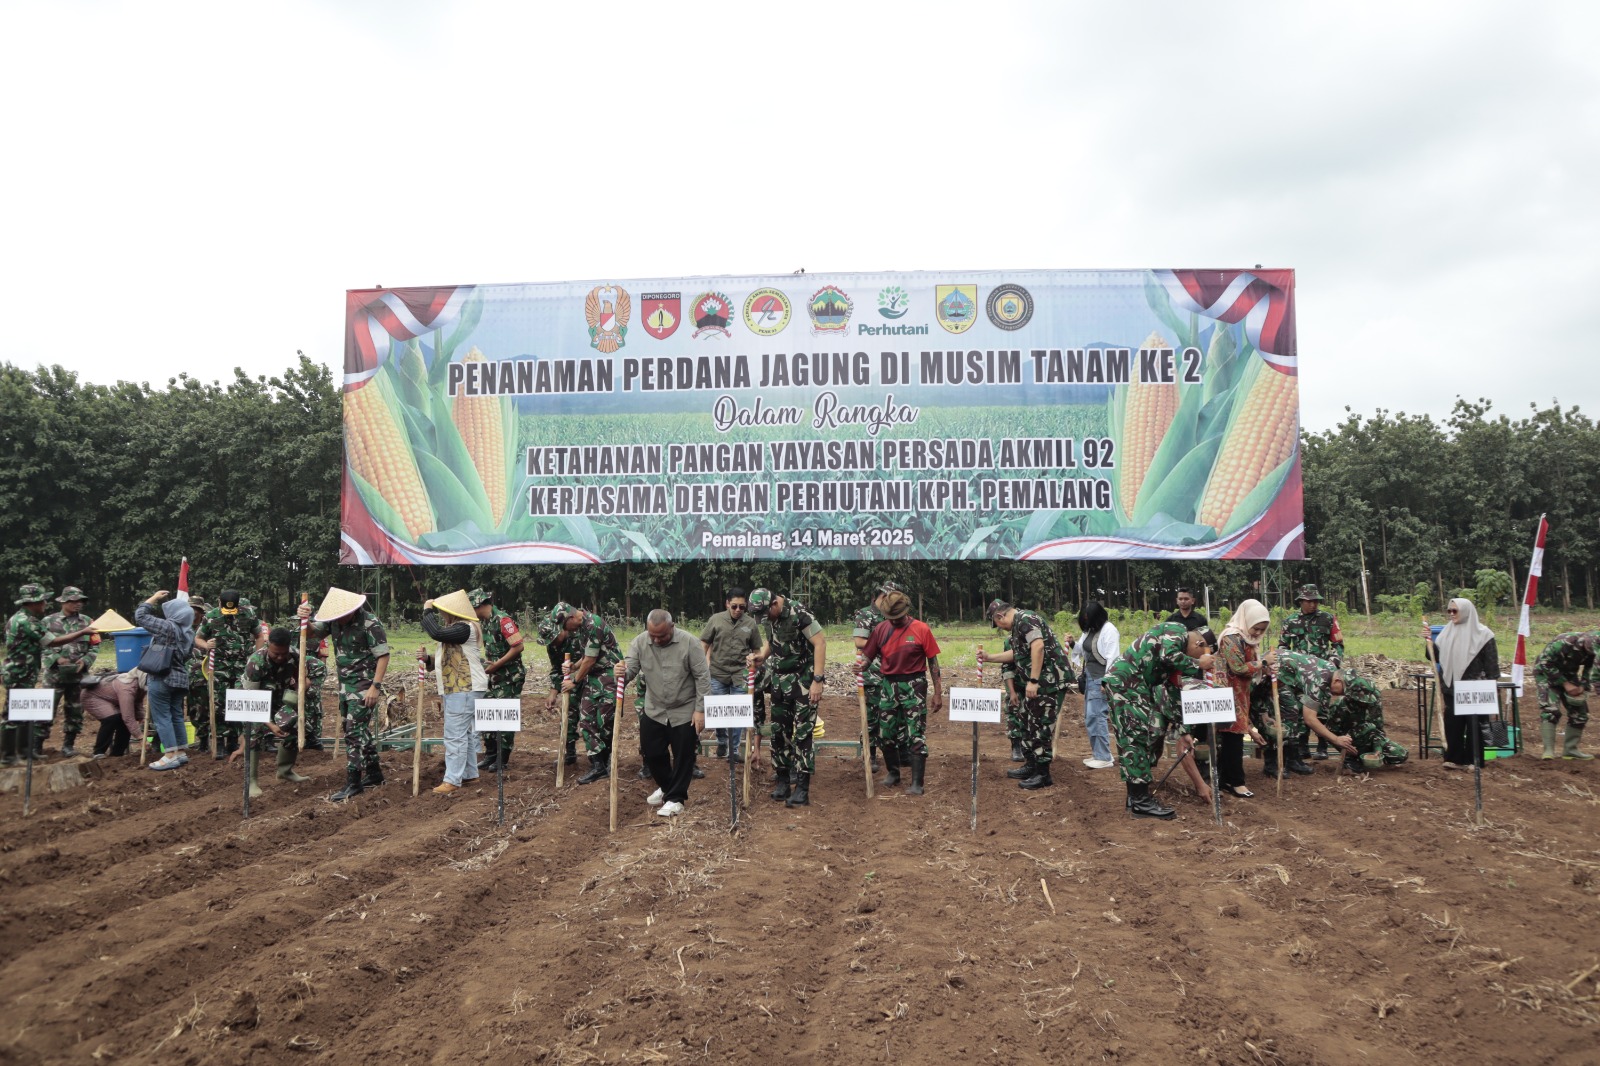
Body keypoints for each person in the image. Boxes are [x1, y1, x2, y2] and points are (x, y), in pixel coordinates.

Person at [1102, 620, 1214, 818]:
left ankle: (1135, 798)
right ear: (1198, 645)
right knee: (1135, 739)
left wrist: (1183, 730)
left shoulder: (1173, 661)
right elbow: (1170, 655)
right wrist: (1199, 663)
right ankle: (1140, 802)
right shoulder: (1177, 631)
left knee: (1137, 738)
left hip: (1134, 686)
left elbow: (1172, 695)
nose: (1194, 663)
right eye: (1199, 655)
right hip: (1127, 682)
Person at [299, 587, 390, 802]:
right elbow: (312, 632)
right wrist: (304, 618)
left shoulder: (370, 623)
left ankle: (354, 781)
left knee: (353, 732)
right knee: (355, 730)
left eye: (342, 616)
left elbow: (384, 656)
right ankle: (375, 773)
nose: (338, 620)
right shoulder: (333, 622)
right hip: (345, 686)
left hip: (364, 685)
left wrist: (375, 687)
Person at [621, 610, 711, 817]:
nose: (656, 639)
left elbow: (703, 678)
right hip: (655, 708)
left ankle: (675, 798)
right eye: (652, 635)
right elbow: (630, 670)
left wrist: (700, 710)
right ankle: (667, 787)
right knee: (651, 752)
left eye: (661, 636)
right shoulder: (639, 643)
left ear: (672, 627)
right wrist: (622, 673)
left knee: (683, 755)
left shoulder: (690, 643)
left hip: (685, 708)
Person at [980, 600, 1071, 790]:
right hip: (1041, 682)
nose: (998, 627)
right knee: (1029, 724)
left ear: (1000, 616)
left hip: (1048, 682)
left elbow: (1037, 647)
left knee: (1041, 726)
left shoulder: (1026, 619)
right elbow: (1017, 653)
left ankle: (1043, 774)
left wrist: (1033, 680)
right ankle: (1032, 766)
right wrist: (990, 658)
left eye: (996, 623)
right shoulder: (1017, 626)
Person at [860, 589, 943, 795]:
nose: (894, 621)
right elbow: (868, 656)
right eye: (891, 618)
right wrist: (861, 666)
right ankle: (894, 773)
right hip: (888, 686)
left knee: (915, 735)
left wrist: (938, 692)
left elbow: (933, 663)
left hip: (914, 685)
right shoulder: (881, 629)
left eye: (897, 617)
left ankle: (917, 782)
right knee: (885, 733)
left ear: (906, 612)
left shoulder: (921, 629)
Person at [749, 587, 826, 807]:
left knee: (802, 735)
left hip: (803, 682)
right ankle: (782, 781)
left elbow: (820, 642)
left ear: (774, 604)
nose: (765, 619)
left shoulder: (799, 613)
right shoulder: (768, 616)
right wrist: (760, 657)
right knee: (778, 732)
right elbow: (772, 641)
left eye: (766, 613)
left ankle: (802, 788)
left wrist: (817, 681)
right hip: (779, 682)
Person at [543, 602, 624, 784]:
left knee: (605, 720)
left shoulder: (593, 624)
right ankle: (597, 766)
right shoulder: (581, 627)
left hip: (609, 677)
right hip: (594, 678)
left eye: (564, 626)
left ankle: (606, 759)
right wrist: (574, 666)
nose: (565, 630)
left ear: (571, 618)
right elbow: (586, 657)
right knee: (587, 720)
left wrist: (574, 680)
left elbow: (590, 659)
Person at [419, 590, 488, 794]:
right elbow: (449, 658)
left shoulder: (465, 628)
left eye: (443, 612)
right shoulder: (459, 629)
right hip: (459, 688)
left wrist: (427, 611)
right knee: (464, 734)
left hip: (464, 688)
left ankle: (452, 780)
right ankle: (469, 774)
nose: (442, 616)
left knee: (455, 735)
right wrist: (428, 660)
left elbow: (436, 633)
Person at [236, 627, 316, 795]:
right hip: (254, 699)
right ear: (268, 646)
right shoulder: (255, 663)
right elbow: (252, 700)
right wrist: (271, 724)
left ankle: (284, 771)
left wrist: (303, 685)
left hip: (280, 696)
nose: (280, 658)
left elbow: (301, 678)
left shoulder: (295, 656)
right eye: (275, 654)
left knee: (295, 724)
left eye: (283, 654)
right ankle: (251, 782)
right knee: (254, 733)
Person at [1423, 598, 1500, 768]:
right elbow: (1433, 656)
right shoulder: (1446, 633)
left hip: (1475, 688)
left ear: (1466, 612)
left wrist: (1493, 688)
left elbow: (1492, 665)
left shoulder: (1484, 635)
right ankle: (1454, 758)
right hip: (1451, 687)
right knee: (1454, 724)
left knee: (1475, 724)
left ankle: (1474, 760)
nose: (1451, 614)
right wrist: (1428, 641)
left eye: (1454, 611)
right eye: (1449, 611)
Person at [1210, 599, 1272, 797]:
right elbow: (1238, 667)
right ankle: (1236, 782)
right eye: (1255, 628)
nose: (1257, 633)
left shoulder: (1246, 638)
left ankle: (1223, 779)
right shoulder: (1231, 638)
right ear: (1247, 621)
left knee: (1231, 737)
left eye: (1262, 630)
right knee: (1233, 738)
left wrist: (1265, 666)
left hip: (1240, 693)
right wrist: (1262, 663)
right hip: (1227, 693)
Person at [1278, 584, 1345, 760]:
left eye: (1316, 601)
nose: (1313, 604)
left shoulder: (1328, 619)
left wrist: (1332, 663)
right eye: (1309, 601)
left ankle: (1323, 746)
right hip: (1298, 676)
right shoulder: (1290, 621)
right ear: (1300, 601)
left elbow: (1338, 644)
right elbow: (1282, 647)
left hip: (1322, 675)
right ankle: (1302, 746)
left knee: (1322, 708)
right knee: (1300, 709)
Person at [196, 589, 263, 759]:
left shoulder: (248, 614)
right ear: (219, 602)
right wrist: (206, 645)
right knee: (219, 704)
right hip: (219, 667)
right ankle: (219, 741)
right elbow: (198, 638)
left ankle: (234, 740)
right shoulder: (211, 616)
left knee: (239, 703)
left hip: (242, 665)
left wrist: (257, 656)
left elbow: (259, 635)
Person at [700, 586, 765, 762]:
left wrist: (754, 659)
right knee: (718, 713)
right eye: (734, 606)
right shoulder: (716, 620)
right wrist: (703, 667)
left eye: (742, 607)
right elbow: (704, 644)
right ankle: (722, 741)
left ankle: (733, 750)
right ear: (727, 603)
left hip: (740, 675)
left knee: (738, 714)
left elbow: (757, 649)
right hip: (717, 673)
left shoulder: (750, 623)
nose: (738, 610)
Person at [133, 590, 196, 771]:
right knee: (176, 715)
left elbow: (140, 615)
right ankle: (181, 752)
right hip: (180, 678)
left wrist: (152, 598)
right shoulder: (189, 633)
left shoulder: (167, 627)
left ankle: (169, 755)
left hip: (162, 677)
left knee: (162, 717)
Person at [3, 584, 66, 765]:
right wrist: (82, 632)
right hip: (19, 673)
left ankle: (24, 754)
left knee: (23, 714)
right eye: (43, 600)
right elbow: (51, 642)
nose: (46, 603)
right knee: (12, 715)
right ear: (34, 602)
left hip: (24, 672)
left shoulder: (20, 618)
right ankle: (8, 758)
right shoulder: (26, 621)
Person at [470, 589, 526, 771]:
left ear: (479, 604)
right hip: (494, 676)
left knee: (505, 716)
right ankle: (491, 754)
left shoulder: (503, 620)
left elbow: (518, 646)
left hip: (510, 676)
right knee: (486, 713)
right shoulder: (485, 623)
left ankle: (503, 758)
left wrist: (498, 664)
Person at [1309, 672, 1408, 773]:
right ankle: (1350, 760)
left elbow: (1378, 729)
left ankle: (1366, 757)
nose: (1364, 703)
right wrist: (1344, 748)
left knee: (1400, 755)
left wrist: (1378, 749)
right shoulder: (1340, 706)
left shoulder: (1375, 702)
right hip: (1350, 743)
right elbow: (1330, 733)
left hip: (1370, 739)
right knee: (1365, 730)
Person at [42, 586, 97, 757]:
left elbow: (95, 646)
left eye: (80, 601)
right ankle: (37, 745)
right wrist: (56, 659)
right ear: (64, 602)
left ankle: (68, 745)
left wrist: (86, 660)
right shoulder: (48, 622)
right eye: (73, 601)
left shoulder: (88, 622)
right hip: (54, 676)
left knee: (75, 711)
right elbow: (42, 645)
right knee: (46, 709)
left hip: (78, 676)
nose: (77, 604)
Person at [850, 583, 898, 771]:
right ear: (877, 597)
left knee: (892, 716)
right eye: (885, 598)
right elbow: (860, 641)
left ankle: (895, 755)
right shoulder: (866, 614)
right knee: (870, 718)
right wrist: (886, 643)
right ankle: (869, 756)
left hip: (892, 672)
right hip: (871, 674)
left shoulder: (895, 614)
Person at [1531, 631, 1598, 761]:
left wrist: (1583, 686)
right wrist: (1566, 685)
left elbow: (1589, 668)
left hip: (1569, 673)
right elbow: (1545, 662)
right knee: (1550, 710)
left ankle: (1570, 750)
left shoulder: (1595, 649)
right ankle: (1548, 751)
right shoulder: (1564, 642)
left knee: (1580, 713)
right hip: (1546, 673)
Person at [1070, 600, 1119, 769]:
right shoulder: (1090, 630)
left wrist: (1107, 681)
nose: (1085, 621)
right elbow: (1083, 650)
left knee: (1097, 716)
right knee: (1090, 716)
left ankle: (1104, 756)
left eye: (1087, 617)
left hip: (1100, 679)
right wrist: (1072, 644)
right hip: (1090, 677)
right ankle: (1098, 754)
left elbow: (1113, 657)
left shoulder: (1109, 630)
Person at [81, 668, 146, 758]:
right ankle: (99, 752)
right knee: (111, 719)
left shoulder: (141, 685)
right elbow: (128, 716)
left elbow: (138, 701)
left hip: (111, 699)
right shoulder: (127, 688)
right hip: (93, 697)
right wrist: (140, 737)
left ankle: (117, 754)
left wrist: (141, 716)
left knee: (123, 723)